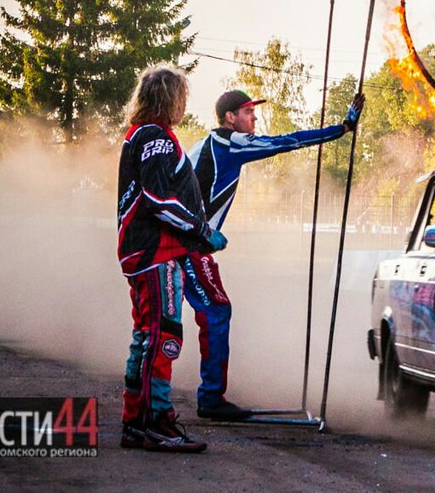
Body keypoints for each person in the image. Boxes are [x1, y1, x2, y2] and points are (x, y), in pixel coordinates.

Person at [183, 88, 366, 420]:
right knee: (216, 311)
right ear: (229, 118)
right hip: (187, 246)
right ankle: (207, 398)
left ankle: (194, 396)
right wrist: (341, 129)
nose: (254, 118)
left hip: (187, 243)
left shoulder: (203, 144)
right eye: (248, 112)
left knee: (206, 312)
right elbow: (288, 141)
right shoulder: (230, 144)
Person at [116, 64, 225, 453]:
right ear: (170, 98)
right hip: (155, 254)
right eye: (182, 96)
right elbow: (159, 200)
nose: (184, 104)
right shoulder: (157, 139)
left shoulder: (143, 136)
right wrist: (201, 230)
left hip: (146, 252)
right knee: (162, 336)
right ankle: (156, 423)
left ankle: (135, 422)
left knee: (146, 337)